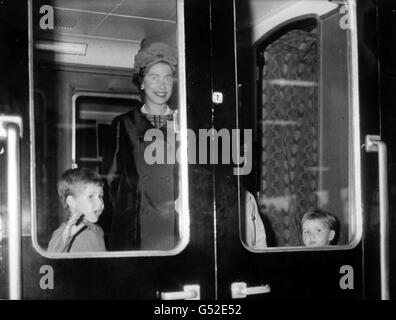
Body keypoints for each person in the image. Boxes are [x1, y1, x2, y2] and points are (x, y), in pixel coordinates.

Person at [101, 41, 179, 251]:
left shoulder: (185, 124)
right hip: (134, 229)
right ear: (142, 83)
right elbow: (109, 179)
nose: (162, 86)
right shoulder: (124, 124)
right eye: (154, 78)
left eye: (167, 78)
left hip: (176, 228)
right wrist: (126, 213)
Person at [47, 167, 106, 252]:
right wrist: (65, 239)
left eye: (100, 196)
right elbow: (51, 260)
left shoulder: (97, 231)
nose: (100, 203)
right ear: (72, 202)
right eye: (91, 197)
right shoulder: (64, 233)